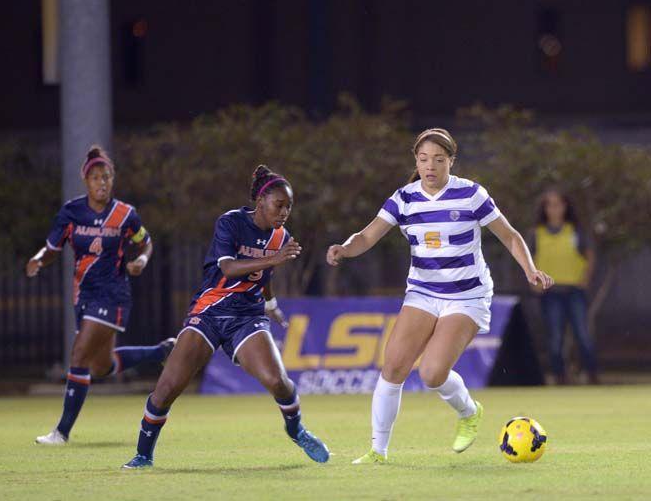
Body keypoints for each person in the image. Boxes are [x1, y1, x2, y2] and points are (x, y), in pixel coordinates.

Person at [326, 128, 554, 464]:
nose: (430, 166)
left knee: (432, 374)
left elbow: (510, 236)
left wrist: (529, 269)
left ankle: (469, 411)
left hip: (467, 296)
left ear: (451, 161)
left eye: (438, 159)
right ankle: (378, 451)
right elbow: (367, 235)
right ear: (415, 161)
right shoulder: (404, 198)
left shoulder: (471, 195)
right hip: (422, 292)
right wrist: (345, 249)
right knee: (393, 367)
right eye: (423, 159)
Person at [122, 165, 329, 469]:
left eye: (289, 206)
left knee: (278, 381)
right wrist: (273, 258)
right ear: (261, 201)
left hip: (247, 316)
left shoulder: (281, 237)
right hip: (210, 311)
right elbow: (229, 268)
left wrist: (270, 304)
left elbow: (263, 274)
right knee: (167, 388)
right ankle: (143, 455)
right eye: (279, 205)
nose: (285, 212)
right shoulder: (230, 222)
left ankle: (296, 429)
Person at [27, 145, 175, 445]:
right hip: (83, 295)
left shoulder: (125, 214)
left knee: (79, 355)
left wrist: (143, 260)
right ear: (86, 180)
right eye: (96, 177)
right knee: (101, 366)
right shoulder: (71, 212)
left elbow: (146, 242)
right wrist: (39, 259)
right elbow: (53, 248)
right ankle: (162, 351)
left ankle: (61, 432)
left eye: (107, 176)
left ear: (112, 180)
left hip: (113, 295)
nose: (102, 182)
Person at [529, 188, 598, 385]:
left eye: (558, 204)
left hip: (574, 290)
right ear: (544, 209)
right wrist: (534, 283)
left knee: (582, 333)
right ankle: (559, 376)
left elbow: (590, 255)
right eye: (549, 205)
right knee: (555, 336)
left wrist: (586, 278)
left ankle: (590, 373)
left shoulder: (574, 231)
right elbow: (529, 259)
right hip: (550, 292)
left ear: (565, 207)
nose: (554, 209)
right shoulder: (537, 234)